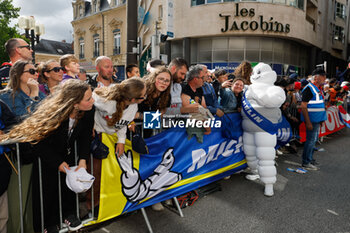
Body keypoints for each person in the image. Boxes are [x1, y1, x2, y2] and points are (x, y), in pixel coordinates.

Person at [1, 79, 95, 233]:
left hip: (68, 153)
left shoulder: (90, 110)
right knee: (47, 190)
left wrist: (83, 159)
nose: (92, 101)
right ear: (74, 104)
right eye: (88, 99)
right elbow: (39, 142)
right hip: (47, 156)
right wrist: (58, 163)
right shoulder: (53, 115)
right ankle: (47, 224)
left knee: (68, 186)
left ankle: (68, 214)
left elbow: (85, 136)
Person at [87, 77, 146, 216]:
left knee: (116, 173)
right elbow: (87, 105)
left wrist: (121, 140)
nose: (145, 98)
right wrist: (90, 126)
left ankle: (113, 203)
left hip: (114, 138)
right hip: (99, 137)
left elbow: (123, 122)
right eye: (143, 96)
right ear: (132, 98)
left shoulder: (133, 105)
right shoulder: (105, 103)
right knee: (96, 175)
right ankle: (92, 207)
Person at [300, 68, 327, 170]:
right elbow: (303, 106)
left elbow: (319, 105)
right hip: (311, 120)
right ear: (316, 77)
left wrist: (321, 120)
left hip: (316, 120)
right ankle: (306, 162)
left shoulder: (317, 88)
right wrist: (308, 122)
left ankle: (310, 159)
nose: (325, 79)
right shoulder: (309, 88)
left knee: (313, 140)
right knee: (310, 141)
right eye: (323, 76)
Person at [0, 100, 17, 233]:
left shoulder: (1, 105)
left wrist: (5, 133)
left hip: (1, 164)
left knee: (2, 215)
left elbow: (13, 125)